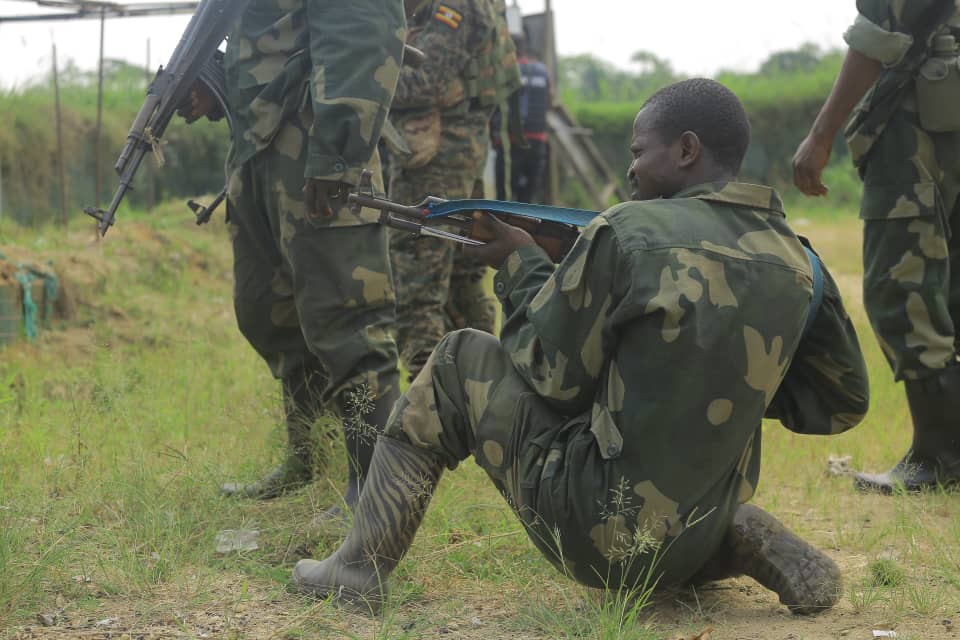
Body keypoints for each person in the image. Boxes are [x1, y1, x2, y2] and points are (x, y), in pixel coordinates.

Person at [292, 79, 870, 615]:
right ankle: (729, 534)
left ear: (687, 149)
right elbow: (840, 403)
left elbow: (551, 376)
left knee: (455, 358)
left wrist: (520, 264)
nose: (631, 168)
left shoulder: (628, 233)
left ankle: (357, 571)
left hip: (600, 536)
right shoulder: (801, 262)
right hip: (693, 527)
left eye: (641, 151)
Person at [182, 1, 406, 514]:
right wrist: (217, 88)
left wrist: (337, 152)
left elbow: (362, 23)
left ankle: (376, 490)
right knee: (267, 307)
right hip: (257, 148)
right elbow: (268, 35)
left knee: (346, 317)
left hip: (315, 144)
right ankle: (311, 457)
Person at [793, 0, 960, 493]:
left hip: (918, 128)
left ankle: (939, 459)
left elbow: (877, 33)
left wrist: (820, 136)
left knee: (901, 288)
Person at [387, 0, 521, 381]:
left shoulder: (453, 6)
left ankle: (431, 405)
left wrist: (361, 79)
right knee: (461, 284)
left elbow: (425, 80)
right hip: (456, 158)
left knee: (417, 287)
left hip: (436, 164)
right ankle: (480, 391)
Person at [493, 33, 551, 203]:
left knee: (503, 202)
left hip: (510, 144)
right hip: (537, 144)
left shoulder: (505, 71)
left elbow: (493, 104)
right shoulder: (542, 71)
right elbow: (550, 101)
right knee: (527, 202)